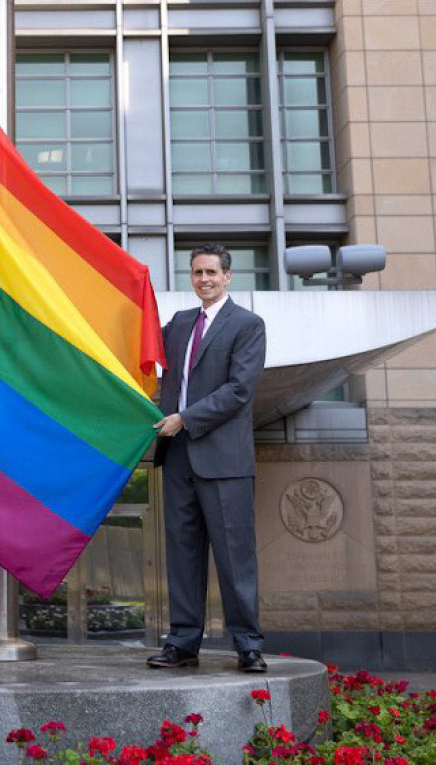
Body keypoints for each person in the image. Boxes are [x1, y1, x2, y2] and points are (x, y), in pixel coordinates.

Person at [148, 243, 268, 672]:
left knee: (235, 556)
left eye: (212, 273)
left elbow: (239, 390)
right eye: (197, 272)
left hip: (224, 459)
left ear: (228, 276)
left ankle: (248, 645)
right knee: (183, 553)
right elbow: (143, 347)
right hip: (178, 456)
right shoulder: (178, 324)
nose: (204, 280)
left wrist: (184, 418)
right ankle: (182, 643)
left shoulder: (248, 325)